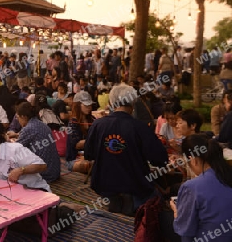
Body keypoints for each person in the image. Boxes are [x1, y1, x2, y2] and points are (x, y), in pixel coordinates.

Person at [84, 84, 168, 216]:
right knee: (163, 200)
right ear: (133, 103)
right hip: (136, 187)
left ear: (111, 102)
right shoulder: (140, 128)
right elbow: (160, 158)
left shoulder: (98, 124)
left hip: (104, 185)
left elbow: (88, 154)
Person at [170, 134, 232, 242]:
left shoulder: (192, 187)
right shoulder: (226, 175)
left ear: (193, 160)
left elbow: (185, 228)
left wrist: (177, 213)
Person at [0, 125, 50, 191]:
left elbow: (42, 166)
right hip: (10, 193)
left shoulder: (14, 149)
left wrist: (21, 170)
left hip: (33, 189)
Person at [15, 102, 61, 183]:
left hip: (44, 174)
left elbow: (15, 149)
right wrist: (16, 135)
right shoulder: (41, 124)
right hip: (55, 170)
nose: (17, 120)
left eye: (17, 117)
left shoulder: (28, 128)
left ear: (23, 117)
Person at [66, 91, 95, 173]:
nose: (89, 108)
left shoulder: (92, 119)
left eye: (90, 105)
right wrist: (96, 139)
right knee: (88, 165)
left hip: (89, 157)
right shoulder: (73, 122)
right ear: (78, 105)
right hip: (75, 159)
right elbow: (77, 145)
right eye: (86, 105)